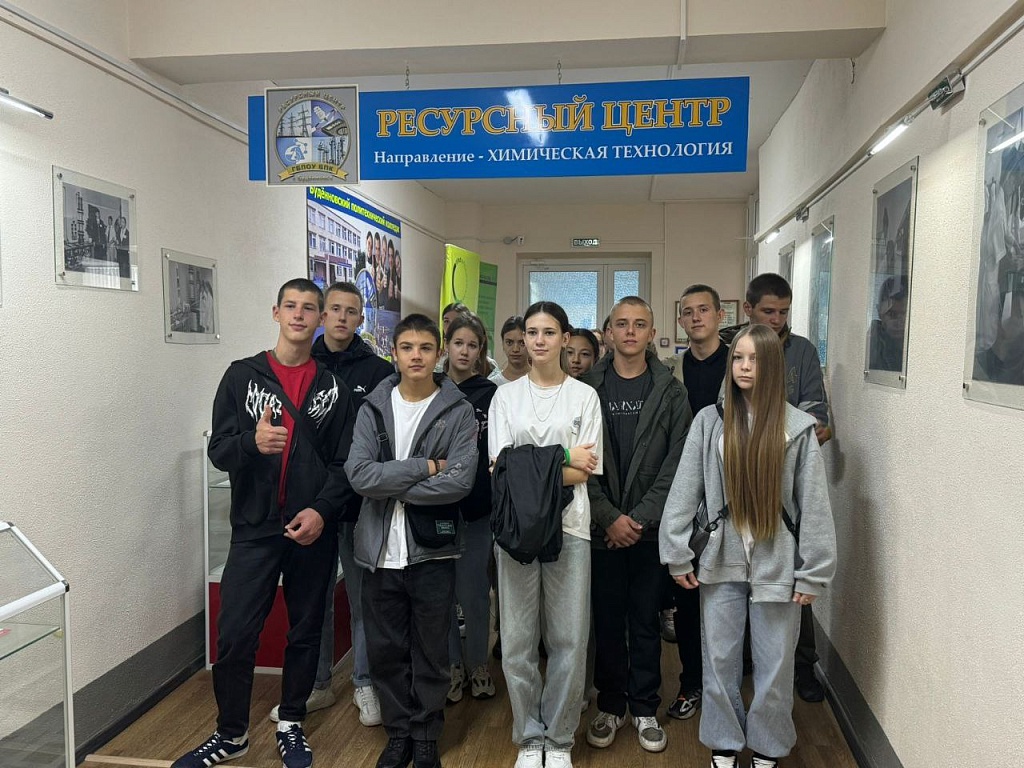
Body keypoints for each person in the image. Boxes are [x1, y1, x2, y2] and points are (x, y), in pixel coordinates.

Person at [173, 279, 356, 768]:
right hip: (254, 529)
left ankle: (292, 721)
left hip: (311, 530)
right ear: (276, 312)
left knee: (305, 630)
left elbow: (345, 463)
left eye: (309, 308)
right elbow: (219, 451)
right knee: (235, 634)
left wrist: (322, 511)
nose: (299, 315)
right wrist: (251, 443)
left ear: (320, 319)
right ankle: (231, 733)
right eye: (290, 306)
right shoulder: (241, 377)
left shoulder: (334, 389)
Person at [659, 324, 837, 768]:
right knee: (719, 661)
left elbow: (814, 504)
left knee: (775, 665)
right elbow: (685, 490)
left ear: (772, 365)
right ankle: (723, 744)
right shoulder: (710, 421)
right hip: (721, 559)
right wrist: (676, 551)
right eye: (738, 357)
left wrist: (814, 571)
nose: (743, 366)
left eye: (754, 359)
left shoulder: (797, 428)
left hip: (778, 564)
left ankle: (768, 748)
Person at [345, 314, 479, 768]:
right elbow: (360, 475)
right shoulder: (373, 407)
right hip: (378, 552)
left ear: (438, 353)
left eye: (425, 347)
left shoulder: (457, 410)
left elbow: (460, 480)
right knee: (386, 651)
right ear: (394, 353)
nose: (416, 356)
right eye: (407, 347)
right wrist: (425, 467)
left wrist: (392, 483)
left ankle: (425, 735)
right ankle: (398, 732)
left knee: (431, 651)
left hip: (432, 552)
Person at [267, 282, 394, 728]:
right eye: (334, 309)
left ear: (361, 319)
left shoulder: (379, 372)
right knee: (312, 600)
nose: (342, 317)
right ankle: (316, 684)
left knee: (362, 598)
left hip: (360, 503)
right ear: (323, 316)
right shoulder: (305, 364)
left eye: (350, 311)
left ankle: (365, 682)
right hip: (312, 506)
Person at [488, 301, 603, 768]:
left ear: (565, 338)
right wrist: (564, 456)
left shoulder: (584, 397)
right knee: (517, 642)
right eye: (531, 332)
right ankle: (529, 737)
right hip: (515, 531)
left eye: (548, 332)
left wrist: (532, 466)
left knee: (568, 640)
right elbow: (500, 471)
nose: (538, 341)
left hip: (570, 527)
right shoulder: (505, 398)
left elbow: (586, 472)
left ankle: (558, 738)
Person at [581, 297, 690, 755]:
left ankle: (645, 706)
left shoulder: (672, 392)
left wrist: (639, 519)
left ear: (651, 333)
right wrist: (609, 517)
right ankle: (611, 704)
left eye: (639, 324)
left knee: (645, 620)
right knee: (607, 621)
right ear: (608, 332)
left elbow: (676, 464)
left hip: (649, 532)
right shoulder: (585, 387)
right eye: (621, 324)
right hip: (600, 530)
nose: (629, 331)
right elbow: (579, 463)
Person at [720, 273, 832, 702]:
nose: (777, 319)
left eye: (784, 312)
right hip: (738, 482)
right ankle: (747, 666)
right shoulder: (734, 346)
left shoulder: (802, 351)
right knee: (737, 591)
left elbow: (816, 418)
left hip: (783, 480)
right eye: (768, 311)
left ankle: (802, 667)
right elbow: (726, 409)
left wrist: (787, 431)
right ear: (749, 309)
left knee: (789, 591)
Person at [663, 283, 729, 722]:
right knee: (687, 593)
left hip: (731, 495)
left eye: (704, 309)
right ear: (681, 321)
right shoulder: (672, 372)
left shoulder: (739, 363)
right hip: (688, 492)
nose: (696, 317)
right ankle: (691, 683)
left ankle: (728, 686)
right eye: (688, 312)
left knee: (729, 595)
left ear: (720, 316)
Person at [441, 312, 499, 704]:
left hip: (478, 508)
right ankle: (451, 666)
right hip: (436, 508)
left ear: (481, 351)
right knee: (441, 594)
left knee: (475, 592)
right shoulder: (431, 388)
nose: (464, 351)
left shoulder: (490, 394)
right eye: (458, 343)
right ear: (447, 346)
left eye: (472, 345)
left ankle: (478, 664)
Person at [867, 275, 908, 372]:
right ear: (879, 312)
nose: (898, 322)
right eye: (892, 315)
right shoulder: (872, 347)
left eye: (905, 315)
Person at [490, 315, 531, 386]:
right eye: (509, 342)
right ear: (503, 344)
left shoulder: (543, 381)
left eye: (522, 343)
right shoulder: (493, 384)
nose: (515, 349)